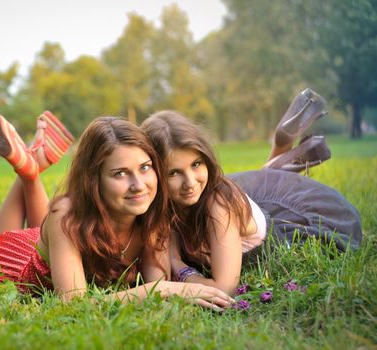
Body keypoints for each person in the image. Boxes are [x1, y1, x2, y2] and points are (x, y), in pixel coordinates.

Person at [0, 110, 234, 309]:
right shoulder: (66, 217)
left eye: (144, 167)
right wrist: (161, 289)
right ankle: (27, 173)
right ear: (94, 180)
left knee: (43, 229)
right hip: (14, 263)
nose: (138, 185)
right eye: (120, 174)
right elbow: (73, 303)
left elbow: (157, 282)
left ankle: (30, 171)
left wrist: (166, 289)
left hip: (51, 244)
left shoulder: (153, 209)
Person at [141, 89, 362, 296]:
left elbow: (224, 287)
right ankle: (279, 158)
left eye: (196, 164)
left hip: (286, 228)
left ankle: (280, 162)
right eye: (173, 173)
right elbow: (157, 284)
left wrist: (179, 267)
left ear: (207, 158)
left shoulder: (218, 207)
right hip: (256, 201)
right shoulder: (159, 206)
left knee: (235, 197)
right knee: (257, 187)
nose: (189, 182)